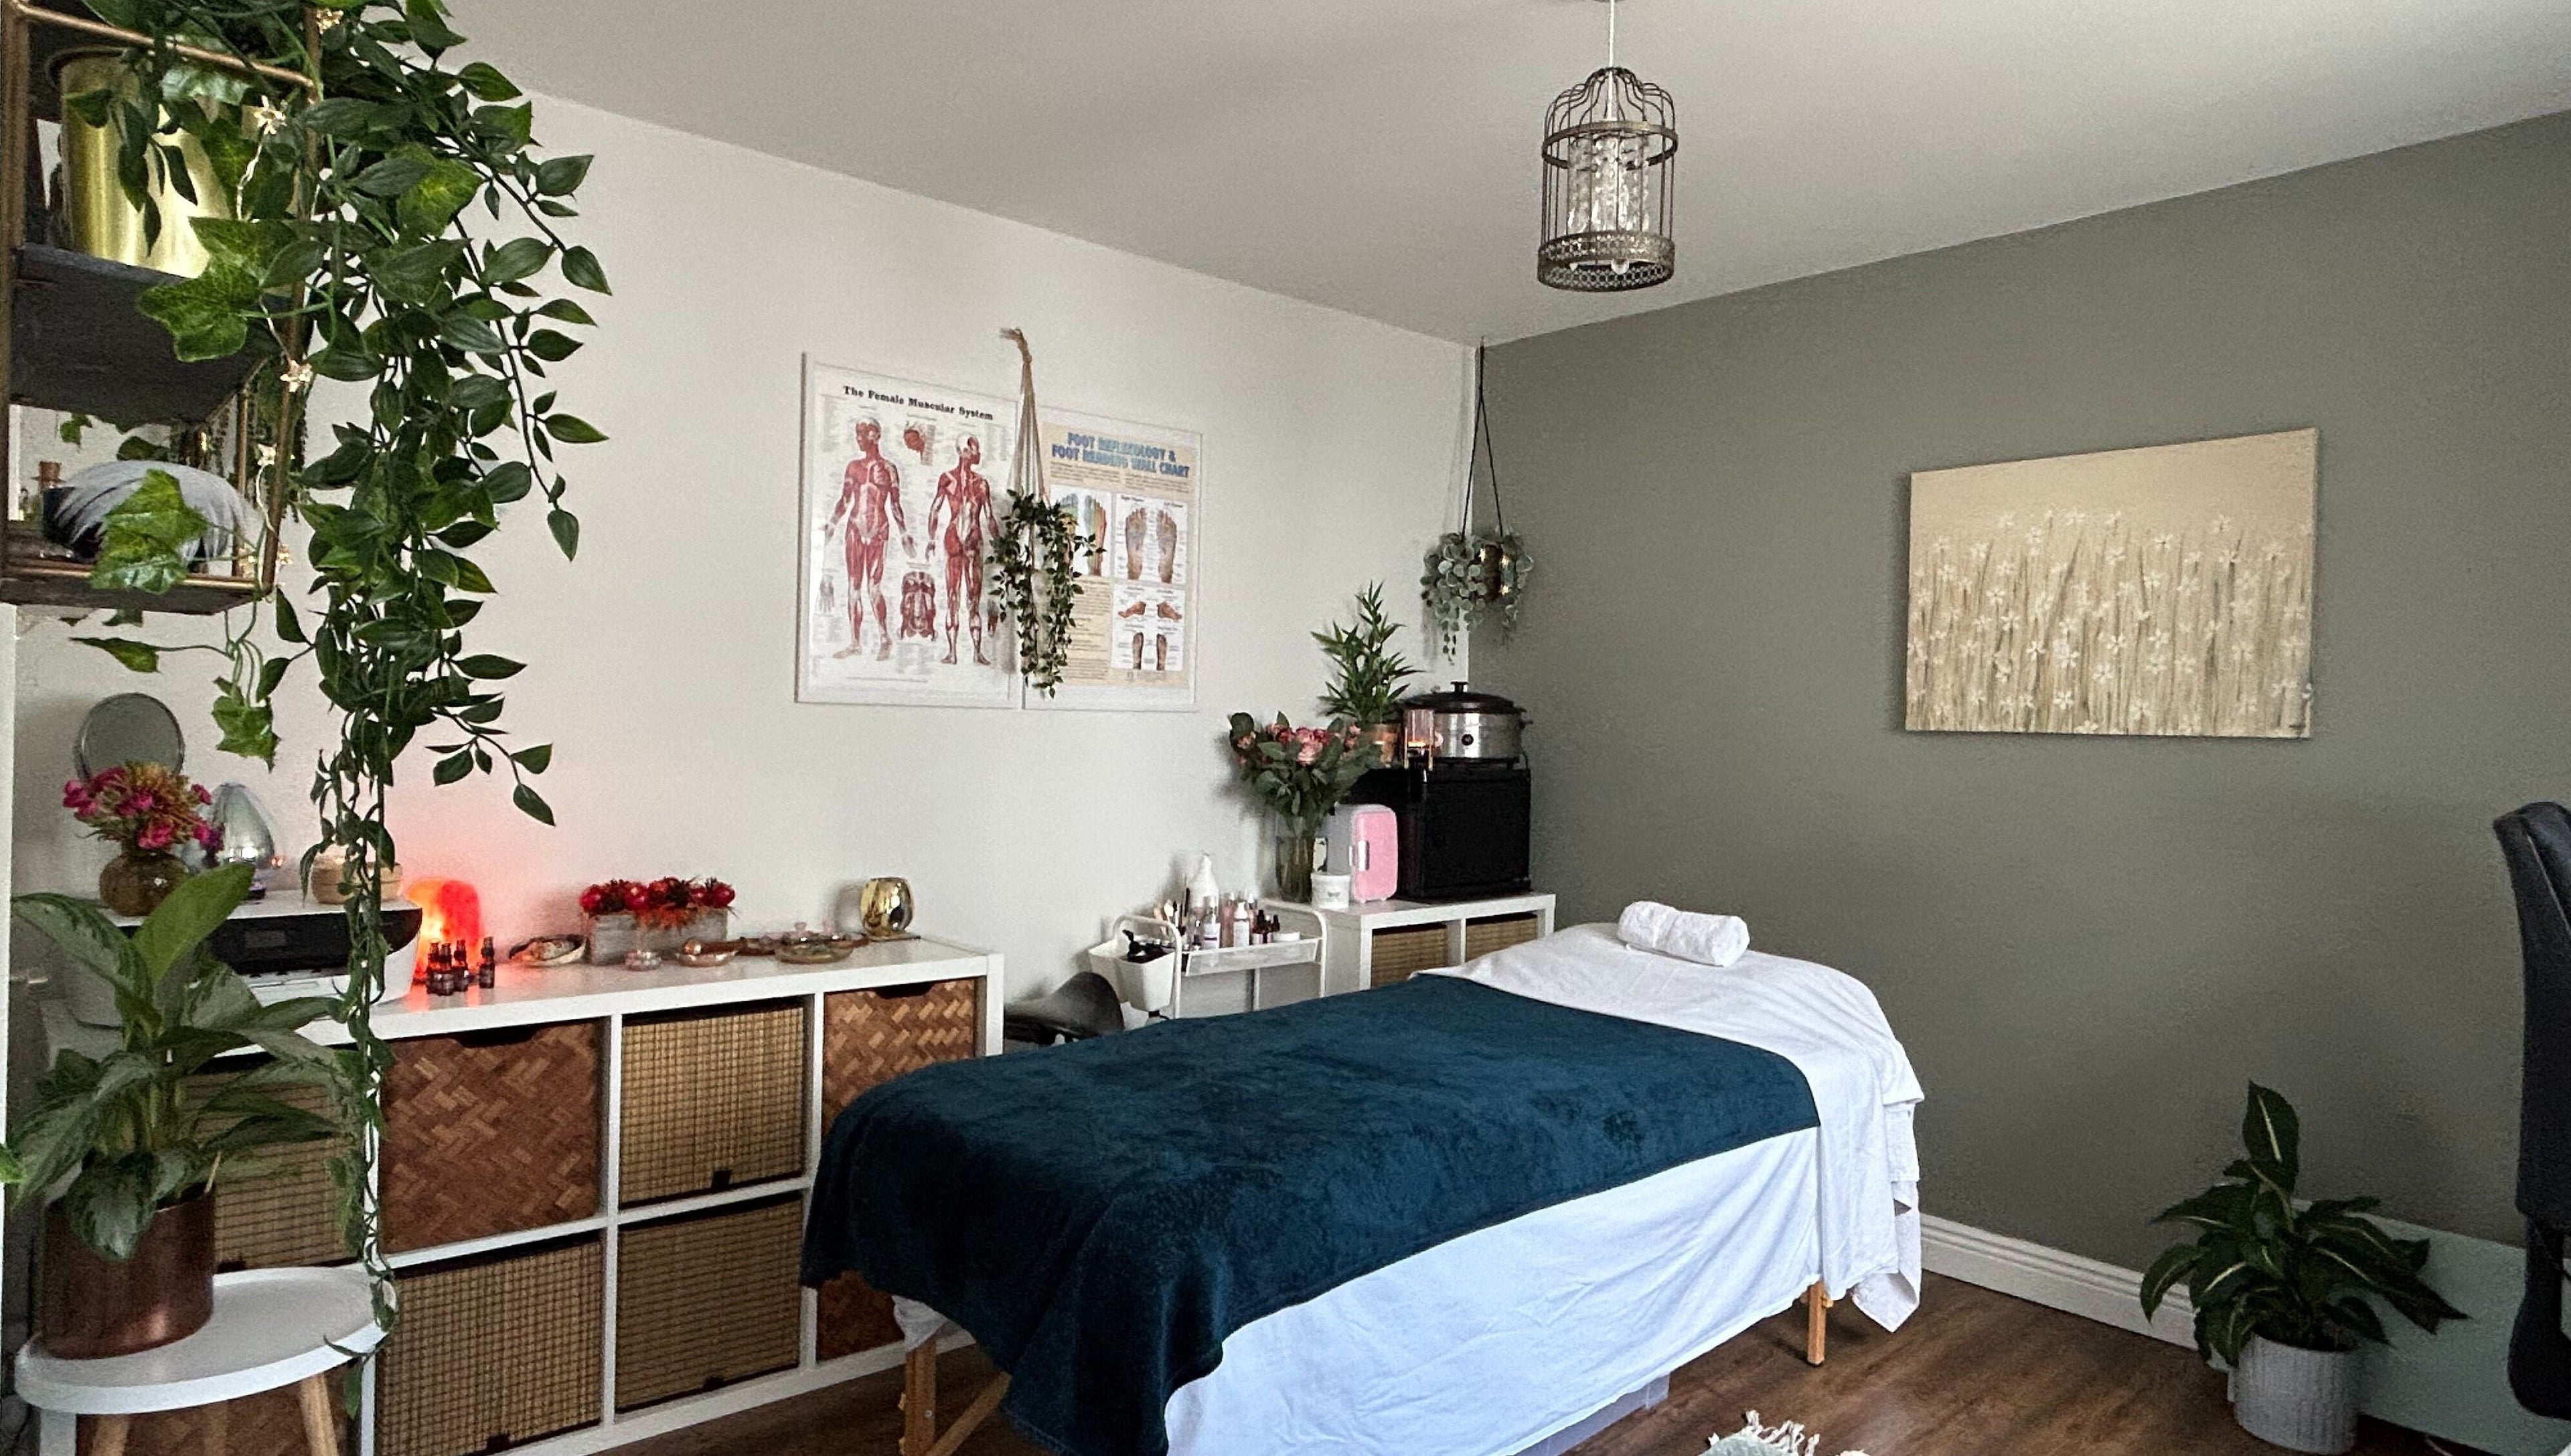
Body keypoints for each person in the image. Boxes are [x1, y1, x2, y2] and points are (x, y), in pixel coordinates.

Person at [826, 419, 909, 660]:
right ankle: (855, 643)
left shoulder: (889, 468)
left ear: (875, 436)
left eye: (861, 434)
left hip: (878, 531)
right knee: (854, 588)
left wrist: (904, 533)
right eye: (857, 434)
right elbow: (844, 500)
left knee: (874, 588)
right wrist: (832, 523)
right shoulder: (853, 467)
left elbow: (895, 504)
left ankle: (885, 638)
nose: (858, 439)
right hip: (854, 529)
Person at [929, 434, 1000, 665]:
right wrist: (930, 539)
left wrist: (1000, 543)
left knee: (973, 598)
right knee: (953, 596)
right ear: (963, 452)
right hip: (954, 540)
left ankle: (976, 652)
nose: (978, 454)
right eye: (974, 450)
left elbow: (989, 517)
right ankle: (952, 652)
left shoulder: (981, 484)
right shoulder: (948, 479)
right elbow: (935, 510)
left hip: (972, 541)